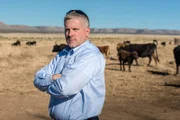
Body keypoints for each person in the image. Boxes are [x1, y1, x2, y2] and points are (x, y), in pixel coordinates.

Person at [34, 10, 106, 120]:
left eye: (75, 29)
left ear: (87, 31)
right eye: (67, 30)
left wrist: (46, 85)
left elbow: (65, 89)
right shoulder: (62, 54)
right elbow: (37, 79)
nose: (70, 34)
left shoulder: (90, 56)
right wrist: (53, 78)